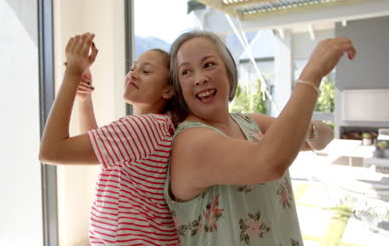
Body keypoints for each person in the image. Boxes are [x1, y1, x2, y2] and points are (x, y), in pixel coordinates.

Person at [163, 30, 355, 245]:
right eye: (186, 72)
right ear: (179, 88)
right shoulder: (191, 142)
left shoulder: (249, 123)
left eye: (208, 64)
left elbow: (324, 135)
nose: (200, 78)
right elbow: (270, 163)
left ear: (229, 72)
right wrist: (311, 75)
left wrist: (305, 131)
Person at [39, 32, 179, 245]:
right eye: (132, 68)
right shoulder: (157, 126)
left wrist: (72, 73)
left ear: (168, 90)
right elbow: (100, 154)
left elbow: (51, 151)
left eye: (146, 70)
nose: (133, 74)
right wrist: (84, 100)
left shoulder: (145, 127)